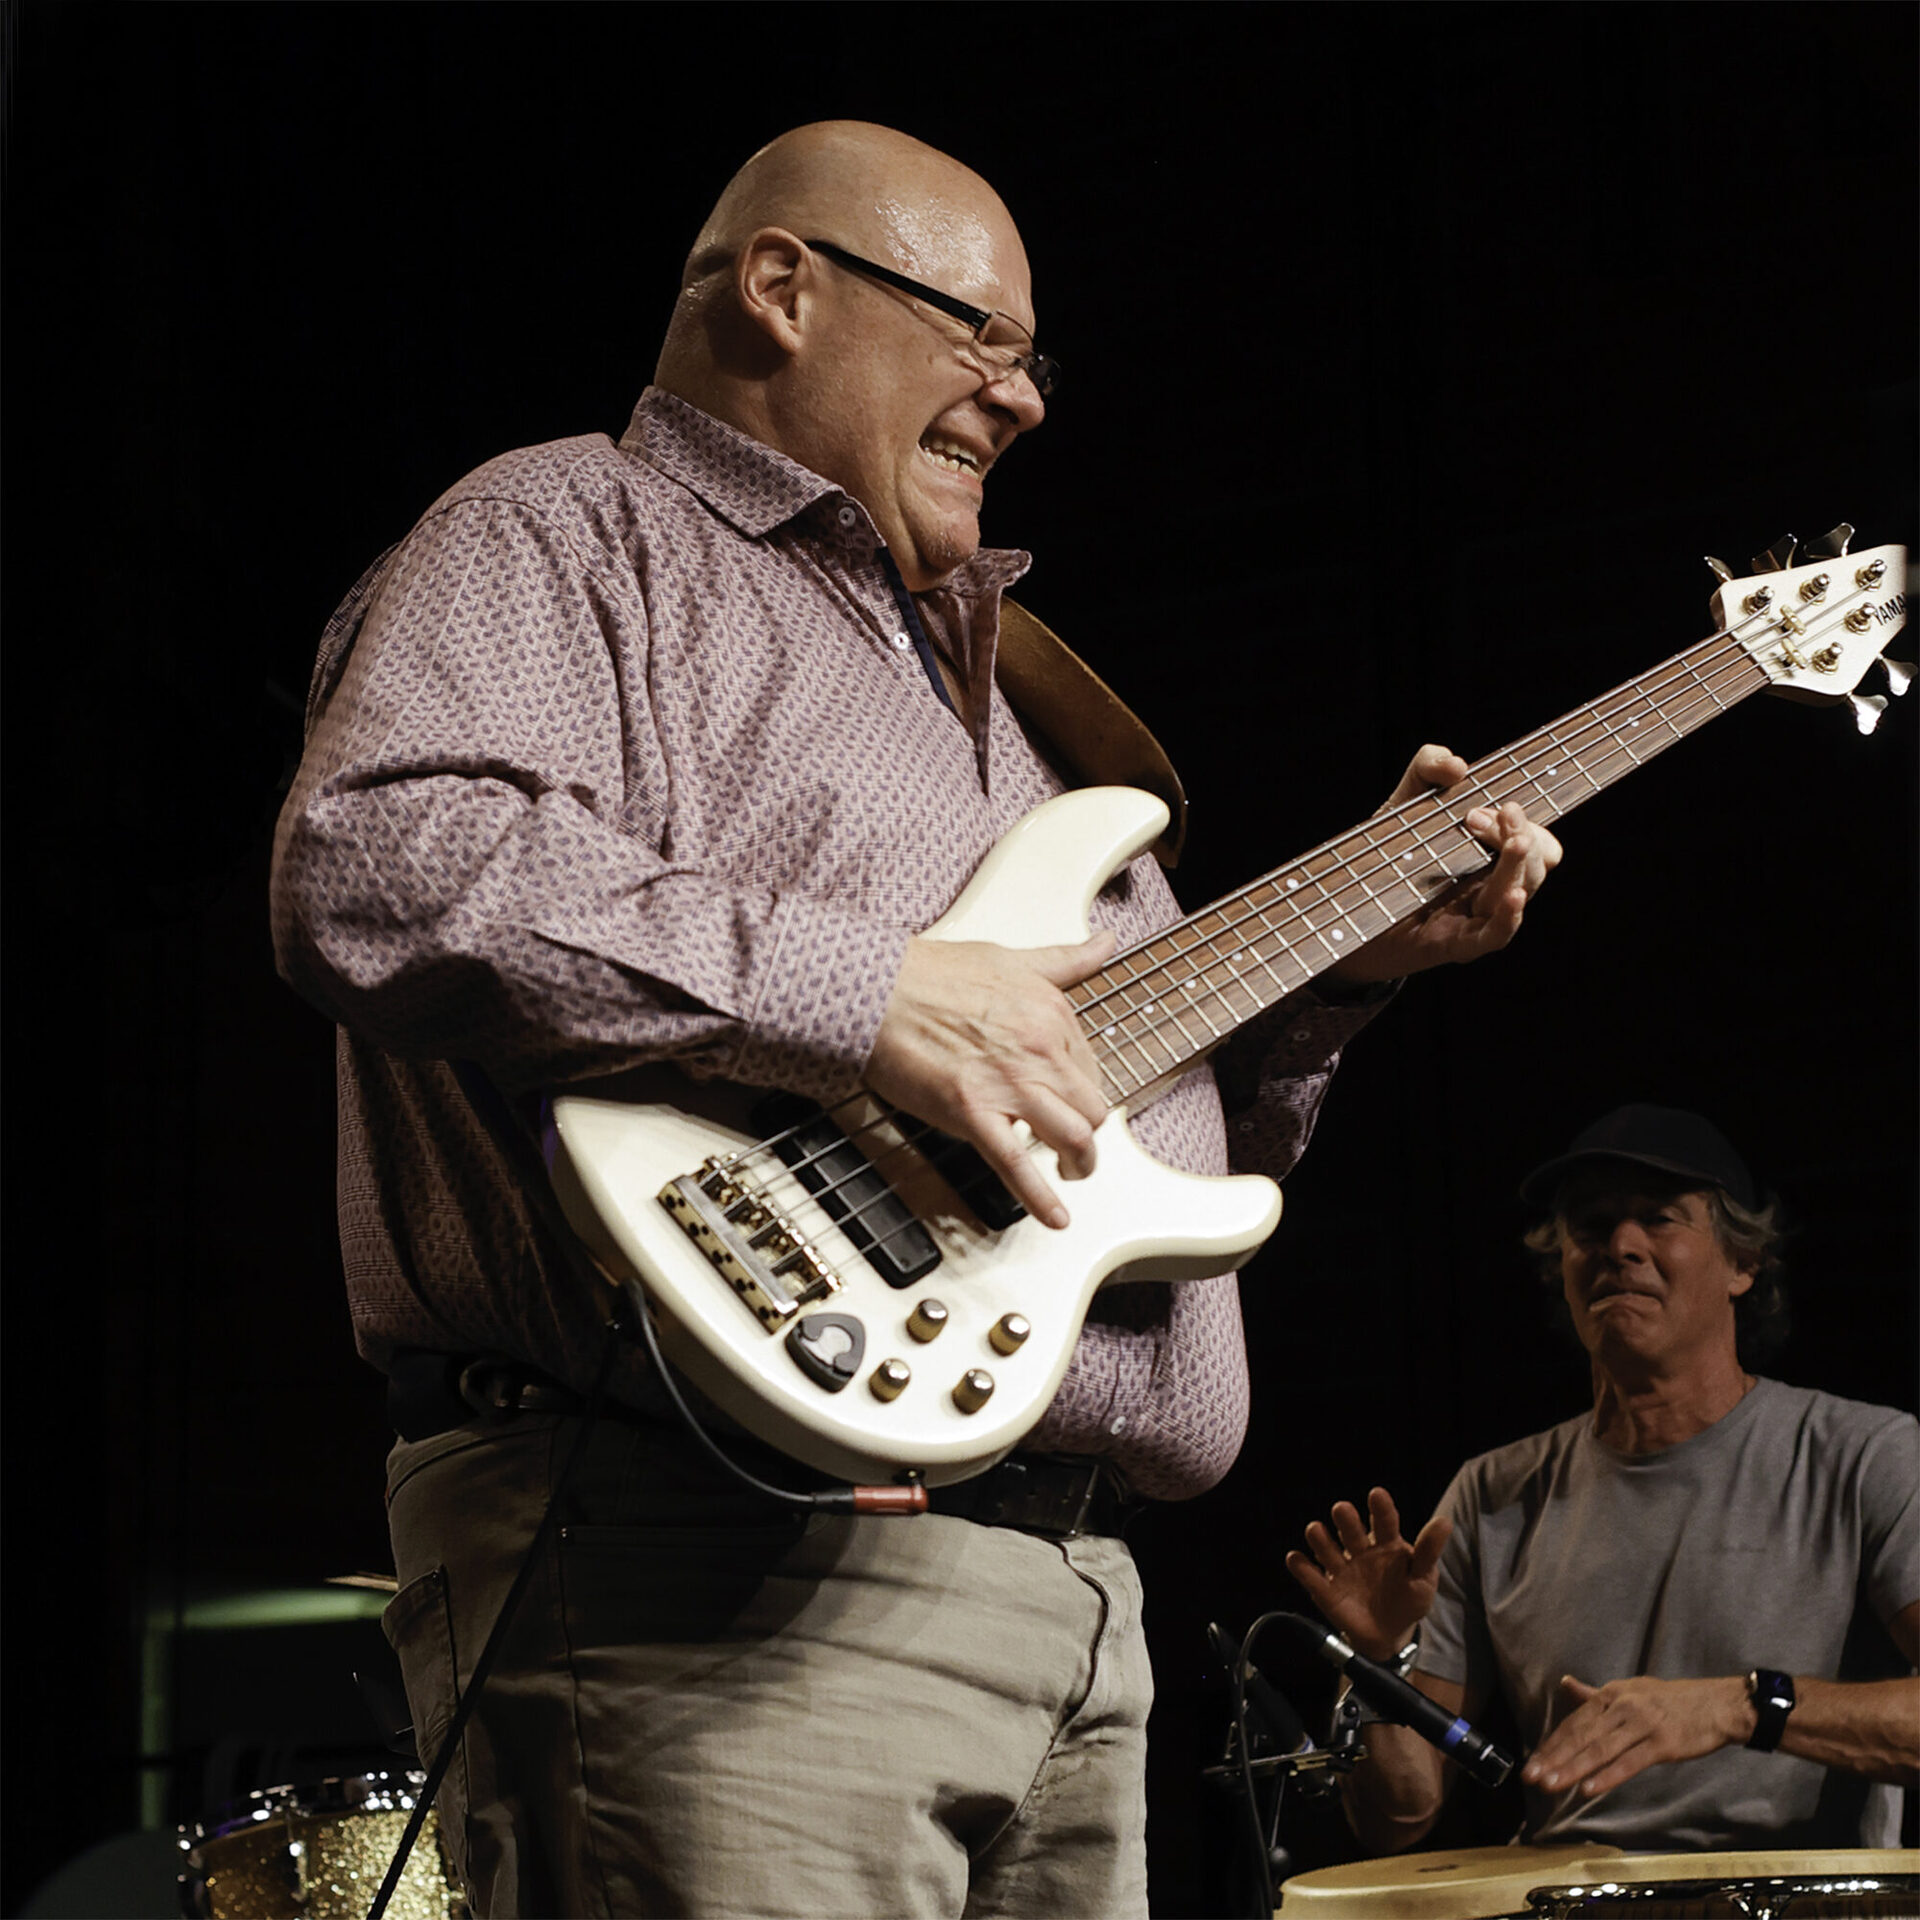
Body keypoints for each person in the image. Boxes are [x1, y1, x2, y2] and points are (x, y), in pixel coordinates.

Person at [271, 121, 1560, 1919]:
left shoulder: (1030, 718)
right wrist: (870, 992)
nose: (1021, 398)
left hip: (1075, 1597)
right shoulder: (566, 529)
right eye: (984, 338)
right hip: (704, 1564)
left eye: (1036, 364)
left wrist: (1341, 982)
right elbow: (376, 863)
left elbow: (1136, 1139)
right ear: (782, 289)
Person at [1287, 1103, 1920, 1860]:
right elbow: (1399, 1816)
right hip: (1567, 1900)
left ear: (1743, 1263)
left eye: (1658, 1218)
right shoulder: (1491, 1495)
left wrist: (1743, 1707)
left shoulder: (1866, 1455)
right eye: (1591, 1226)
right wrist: (1377, 1662)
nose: (1620, 1246)